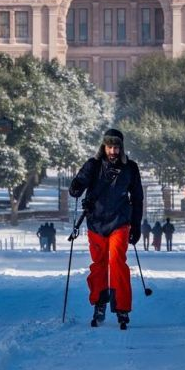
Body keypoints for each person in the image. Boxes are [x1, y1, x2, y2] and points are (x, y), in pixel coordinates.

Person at [69, 127, 143, 327]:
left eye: (117, 147)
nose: (113, 152)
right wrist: (75, 187)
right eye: (110, 147)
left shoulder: (130, 168)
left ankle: (122, 308)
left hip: (120, 222)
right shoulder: (93, 165)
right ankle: (99, 303)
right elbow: (77, 185)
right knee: (99, 264)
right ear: (104, 147)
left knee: (117, 262)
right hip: (96, 223)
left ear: (121, 148)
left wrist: (136, 226)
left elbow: (137, 198)